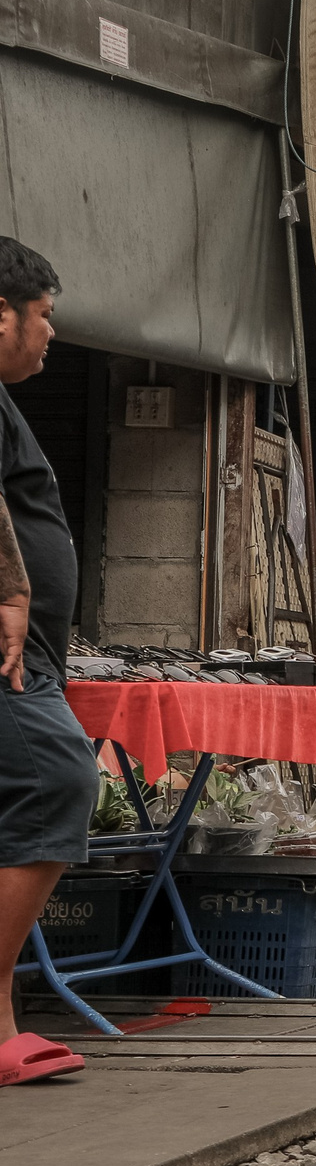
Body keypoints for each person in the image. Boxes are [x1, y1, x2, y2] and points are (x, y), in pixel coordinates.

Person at [0, 239, 90, 1087]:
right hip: (12, 654)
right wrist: (10, 590)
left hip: (31, 652)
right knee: (59, 775)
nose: (50, 335)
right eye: (45, 317)